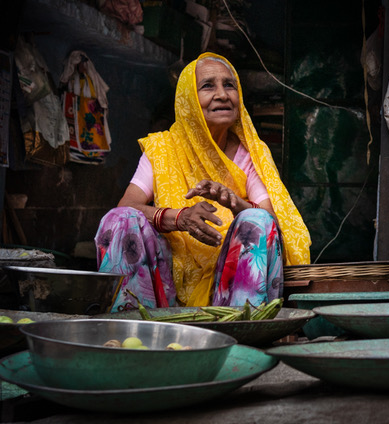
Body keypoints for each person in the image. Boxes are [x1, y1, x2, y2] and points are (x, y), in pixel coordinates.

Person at [94, 53, 311, 312]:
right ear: (189, 100)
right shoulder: (164, 148)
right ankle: (133, 328)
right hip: (165, 282)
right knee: (119, 219)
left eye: (229, 85)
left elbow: (269, 221)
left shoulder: (252, 152)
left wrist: (234, 202)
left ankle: (242, 332)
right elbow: (126, 205)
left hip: (229, 287)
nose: (222, 94)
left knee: (259, 221)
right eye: (208, 85)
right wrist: (179, 218)